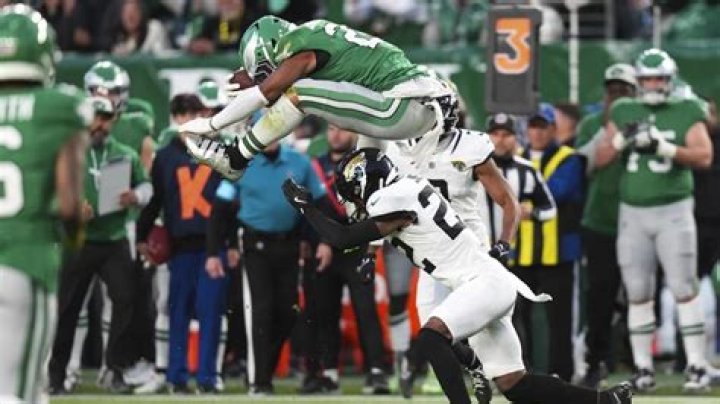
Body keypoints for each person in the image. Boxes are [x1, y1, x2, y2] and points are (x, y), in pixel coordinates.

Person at [282, 147, 633, 404]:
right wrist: (367, 254)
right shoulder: (405, 189)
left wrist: (305, 207)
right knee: (514, 384)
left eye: (353, 194)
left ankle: (469, 367)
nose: (355, 202)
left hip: (481, 284)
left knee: (431, 338)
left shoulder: (388, 198)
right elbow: (363, 235)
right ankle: (606, 400)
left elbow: (342, 237)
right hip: (489, 282)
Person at [178, 15, 455, 180]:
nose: (266, 77)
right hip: (410, 103)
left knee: (300, 93)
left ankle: (236, 158)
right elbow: (273, 92)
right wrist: (257, 83)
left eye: (263, 70)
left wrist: (212, 124)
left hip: (401, 104)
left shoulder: (300, 44)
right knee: (362, 172)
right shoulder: (316, 38)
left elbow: (269, 92)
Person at [596, 48, 713, 392]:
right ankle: (643, 369)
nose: (652, 85)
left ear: (669, 79)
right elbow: (599, 158)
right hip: (632, 213)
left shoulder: (686, 108)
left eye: (658, 78)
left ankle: (697, 365)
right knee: (637, 292)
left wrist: (665, 148)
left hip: (673, 210)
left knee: (684, 288)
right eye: (646, 79)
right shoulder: (623, 110)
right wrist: (621, 140)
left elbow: (704, 155)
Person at [0, 5, 91, 403]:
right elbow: (69, 203)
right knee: (20, 391)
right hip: (25, 257)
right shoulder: (60, 106)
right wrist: (73, 237)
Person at [49, 94, 152, 395]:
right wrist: (69, 209)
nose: (99, 124)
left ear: (114, 120)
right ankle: (57, 375)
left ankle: (115, 370)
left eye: (105, 118)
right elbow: (48, 191)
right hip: (78, 240)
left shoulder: (124, 153)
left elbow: (147, 185)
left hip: (113, 238)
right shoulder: (69, 151)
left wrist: (136, 196)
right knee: (67, 309)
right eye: (95, 117)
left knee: (125, 300)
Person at [208, 140, 327, 395]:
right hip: (254, 245)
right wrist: (214, 251)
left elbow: (319, 202)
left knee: (289, 312)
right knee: (259, 311)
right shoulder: (240, 163)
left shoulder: (299, 162)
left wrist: (322, 241)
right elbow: (220, 208)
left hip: (289, 244)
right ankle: (258, 382)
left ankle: (262, 368)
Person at [135, 91, 227, 394]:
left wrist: (231, 244)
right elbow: (156, 200)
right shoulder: (165, 157)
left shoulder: (218, 150)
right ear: (176, 118)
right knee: (178, 313)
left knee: (210, 313)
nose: (190, 119)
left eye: (195, 113)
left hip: (213, 246)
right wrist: (141, 235)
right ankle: (176, 377)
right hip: (181, 246)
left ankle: (207, 378)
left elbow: (229, 202)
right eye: (184, 113)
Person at [299, 124, 389, 395]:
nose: (336, 134)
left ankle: (376, 371)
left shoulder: (365, 163)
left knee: (366, 310)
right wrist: (314, 241)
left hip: (357, 244)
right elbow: (308, 207)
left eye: (342, 129)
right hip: (324, 249)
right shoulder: (314, 166)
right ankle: (327, 372)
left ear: (354, 133)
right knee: (324, 311)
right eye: (331, 129)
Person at [574, 63, 637, 388]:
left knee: (641, 295)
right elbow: (586, 163)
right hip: (601, 221)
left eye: (624, 90)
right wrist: (612, 132)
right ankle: (595, 362)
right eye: (612, 90)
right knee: (600, 295)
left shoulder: (647, 121)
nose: (617, 96)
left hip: (639, 219)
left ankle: (640, 362)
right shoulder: (591, 124)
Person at [514, 103, 585, 382]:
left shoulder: (569, 158)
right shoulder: (515, 158)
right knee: (517, 317)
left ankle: (561, 373)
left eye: (543, 127)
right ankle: (522, 373)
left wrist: (525, 205)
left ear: (553, 129)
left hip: (558, 252)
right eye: (533, 126)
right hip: (520, 252)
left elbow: (558, 191)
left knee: (560, 318)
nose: (538, 133)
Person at [484, 113, 557, 246]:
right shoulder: (470, 167)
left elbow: (550, 210)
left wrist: (533, 214)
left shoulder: (527, 170)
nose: (500, 139)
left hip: (512, 251)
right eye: (495, 134)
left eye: (506, 135)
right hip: (474, 249)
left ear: (516, 138)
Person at [188, 0, 258, 55]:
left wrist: (215, 47)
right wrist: (195, 45)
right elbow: (200, 38)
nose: (228, 6)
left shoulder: (251, 22)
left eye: (231, 2)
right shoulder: (213, 21)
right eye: (224, 2)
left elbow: (243, 45)